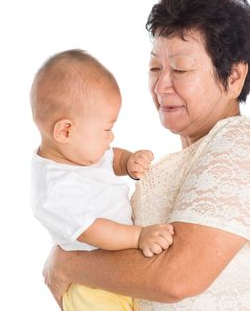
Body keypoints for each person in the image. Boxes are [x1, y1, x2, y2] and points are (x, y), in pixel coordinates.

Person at [42, 0, 250, 310]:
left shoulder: (243, 143)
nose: (161, 85)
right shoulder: (186, 163)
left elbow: (176, 278)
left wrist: (65, 264)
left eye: (180, 69)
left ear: (234, 76)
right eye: (155, 68)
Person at [30, 49, 175, 311]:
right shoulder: (55, 191)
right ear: (65, 130)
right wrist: (139, 236)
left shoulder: (78, 152)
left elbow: (111, 157)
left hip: (119, 274)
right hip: (90, 287)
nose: (111, 138)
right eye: (106, 129)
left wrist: (128, 162)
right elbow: (94, 230)